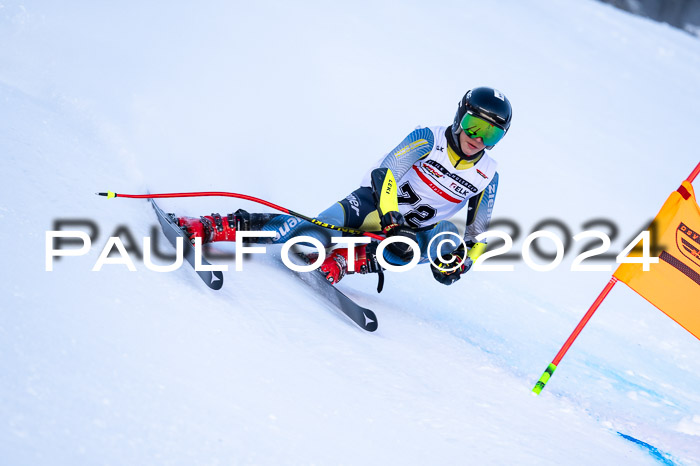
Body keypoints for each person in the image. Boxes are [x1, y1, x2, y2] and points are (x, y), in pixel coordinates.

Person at [176, 87, 512, 287]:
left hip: (405, 236)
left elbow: (474, 235)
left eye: (491, 134)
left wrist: (461, 263)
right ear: (460, 116)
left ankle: (344, 261)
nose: (477, 138)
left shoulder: (487, 175)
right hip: (374, 208)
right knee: (305, 239)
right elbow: (386, 174)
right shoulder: (429, 138)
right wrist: (392, 219)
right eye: (474, 125)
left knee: (444, 239)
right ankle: (217, 226)